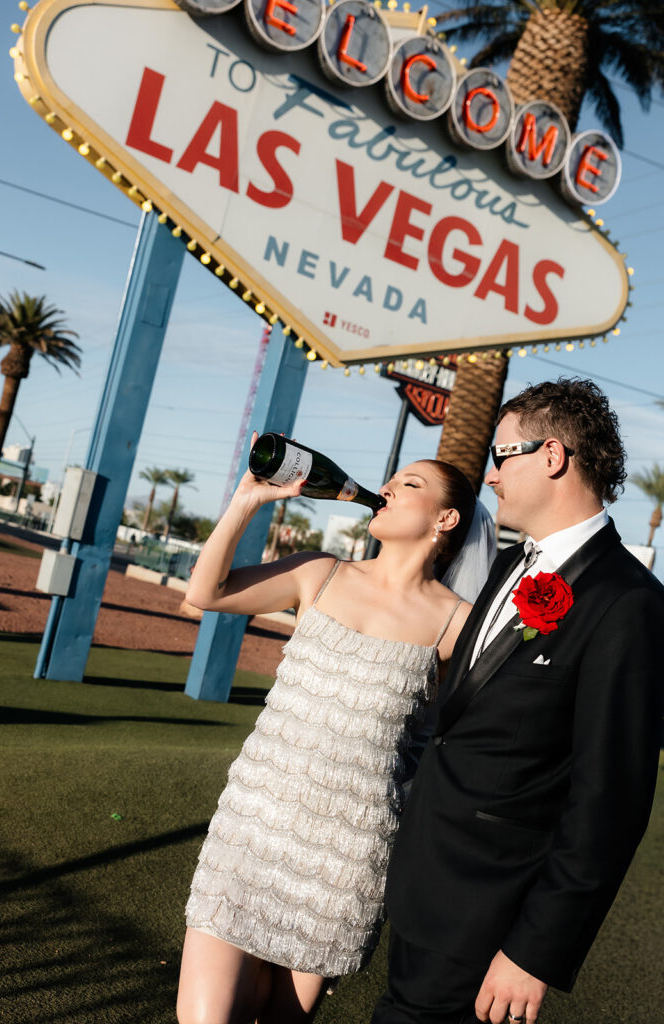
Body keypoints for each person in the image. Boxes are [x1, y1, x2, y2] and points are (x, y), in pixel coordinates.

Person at [373, 378, 664, 1024]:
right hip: (427, 883)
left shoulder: (628, 605)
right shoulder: (510, 567)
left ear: (553, 456)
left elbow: (608, 801)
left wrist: (533, 950)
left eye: (502, 456)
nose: (491, 477)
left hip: (490, 912)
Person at [176, 436, 495, 1024]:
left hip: (347, 851)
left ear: (446, 519)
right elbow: (205, 593)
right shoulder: (320, 573)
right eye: (392, 479)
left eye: (412, 484)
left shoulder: (458, 624)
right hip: (253, 824)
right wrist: (246, 501)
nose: (390, 487)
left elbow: (476, 737)